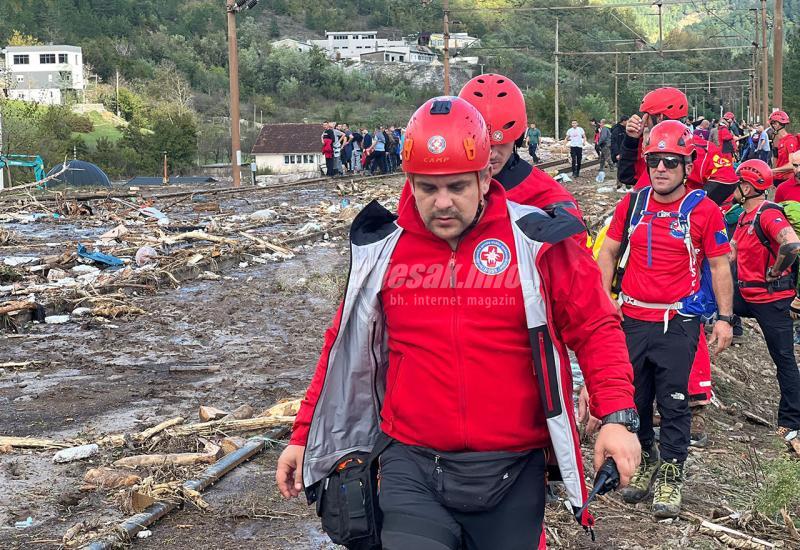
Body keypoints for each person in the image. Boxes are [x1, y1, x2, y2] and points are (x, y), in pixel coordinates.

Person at [276, 96, 641, 549]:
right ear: (409, 181)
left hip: (513, 470)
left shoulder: (535, 240)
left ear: (485, 178)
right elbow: (342, 346)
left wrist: (617, 416)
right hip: (411, 464)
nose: (442, 204)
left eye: (456, 187)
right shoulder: (384, 251)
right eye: (427, 188)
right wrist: (305, 436)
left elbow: (595, 326)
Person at [597, 120, 734, 519]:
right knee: (635, 399)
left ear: (687, 164)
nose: (661, 168)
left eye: (670, 161)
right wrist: (605, 301)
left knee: (673, 400)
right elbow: (607, 253)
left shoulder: (704, 210)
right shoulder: (633, 204)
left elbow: (720, 266)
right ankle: (642, 461)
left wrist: (724, 318)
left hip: (678, 320)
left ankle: (672, 471)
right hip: (633, 317)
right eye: (654, 160)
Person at [617, 88, 739, 445]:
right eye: (657, 160)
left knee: (686, 318)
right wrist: (630, 140)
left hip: (685, 244)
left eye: (648, 116)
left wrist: (694, 209)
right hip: (645, 233)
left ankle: (693, 401)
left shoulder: (690, 147)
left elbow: (726, 176)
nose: (661, 166)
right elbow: (628, 174)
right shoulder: (653, 146)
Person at [458, 73, 588, 250]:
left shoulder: (547, 196)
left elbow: (578, 260)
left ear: (518, 138)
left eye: (501, 143)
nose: (491, 154)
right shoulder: (434, 188)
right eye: (481, 144)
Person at [730, 159, 800, 455]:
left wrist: (775, 271)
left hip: (770, 299)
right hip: (749, 296)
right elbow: (732, 252)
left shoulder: (768, 214)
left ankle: (792, 420)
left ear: (747, 186)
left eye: (737, 183)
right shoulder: (745, 217)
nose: (733, 188)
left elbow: (791, 245)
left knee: (783, 358)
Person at [769, 111, 799, 187]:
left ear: (777, 124)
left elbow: (792, 165)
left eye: (772, 124)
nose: (771, 127)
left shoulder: (789, 141)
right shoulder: (781, 141)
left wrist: (771, 171)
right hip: (780, 179)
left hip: (786, 180)